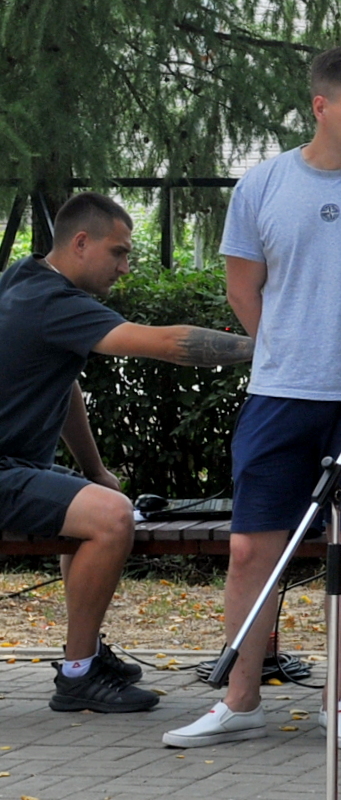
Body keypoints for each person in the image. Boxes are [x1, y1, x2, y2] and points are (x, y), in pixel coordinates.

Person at [165, 46, 341, 752]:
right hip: (278, 392)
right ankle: (241, 699)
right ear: (321, 107)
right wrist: (285, 348)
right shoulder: (261, 185)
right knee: (246, 549)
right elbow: (242, 286)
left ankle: (340, 699)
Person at [0, 192, 254, 713]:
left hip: (15, 468)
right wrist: (265, 348)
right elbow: (163, 343)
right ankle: (79, 672)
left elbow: (62, 381)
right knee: (111, 517)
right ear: (80, 243)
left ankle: (84, 652)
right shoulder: (54, 302)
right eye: (117, 252)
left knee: (96, 502)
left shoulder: (23, 279)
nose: (125, 266)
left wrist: (95, 469)